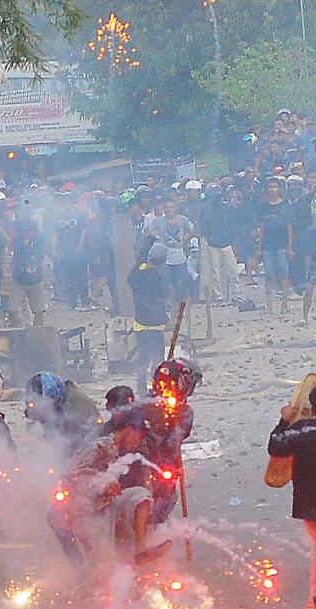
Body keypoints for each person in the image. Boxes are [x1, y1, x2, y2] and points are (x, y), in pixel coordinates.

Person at [55, 406, 172, 567]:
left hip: (107, 504)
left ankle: (140, 550)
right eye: (140, 435)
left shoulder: (121, 450)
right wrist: (102, 484)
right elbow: (73, 479)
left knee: (141, 495)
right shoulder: (99, 448)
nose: (140, 441)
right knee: (106, 567)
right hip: (87, 513)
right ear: (130, 430)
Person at [267, 385, 316, 609]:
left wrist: (284, 420)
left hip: (310, 505)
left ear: (312, 408)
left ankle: (314, 606)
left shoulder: (300, 430)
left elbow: (276, 446)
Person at [143, 358, 201, 525]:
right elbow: (171, 443)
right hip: (154, 464)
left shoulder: (147, 400)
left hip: (149, 463)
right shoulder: (183, 412)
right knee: (165, 497)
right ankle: (148, 531)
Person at [127, 243, 168, 396]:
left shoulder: (137, 274)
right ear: (163, 262)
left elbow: (137, 264)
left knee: (143, 359)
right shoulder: (155, 277)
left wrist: (148, 240)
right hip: (155, 324)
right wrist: (164, 317)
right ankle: (159, 388)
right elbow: (155, 301)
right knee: (158, 359)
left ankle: (142, 389)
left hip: (140, 323)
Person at [25, 371, 100, 453]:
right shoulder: (58, 400)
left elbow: (71, 437)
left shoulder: (76, 403)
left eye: (52, 401)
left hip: (88, 445)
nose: (49, 406)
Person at [198, 183, 241, 304]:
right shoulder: (205, 209)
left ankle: (236, 294)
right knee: (215, 272)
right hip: (212, 244)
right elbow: (202, 226)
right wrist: (209, 238)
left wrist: (233, 243)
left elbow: (232, 226)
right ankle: (219, 296)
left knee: (232, 270)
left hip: (226, 243)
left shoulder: (226, 208)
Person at [257, 176, 293, 315]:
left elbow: (289, 227)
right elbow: (261, 228)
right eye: (270, 187)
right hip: (267, 246)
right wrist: (259, 248)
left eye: (275, 186)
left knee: (284, 275)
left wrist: (290, 246)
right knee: (269, 276)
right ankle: (269, 305)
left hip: (282, 245)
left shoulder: (285, 205)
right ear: (267, 189)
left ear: (279, 188)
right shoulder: (264, 207)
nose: (272, 189)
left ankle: (284, 304)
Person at [150, 199, 193, 309]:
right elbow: (151, 230)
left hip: (179, 256)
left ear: (175, 208)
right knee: (164, 282)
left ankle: (180, 306)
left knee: (180, 283)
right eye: (166, 207)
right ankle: (163, 305)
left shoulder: (183, 220)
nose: (169, 210)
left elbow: (191, 229)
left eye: (171, 207)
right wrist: (158, 238)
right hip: (165, 257)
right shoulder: (159, 221)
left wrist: (184, 240)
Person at [8, 215, 46, 326]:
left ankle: (36, 334)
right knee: (12, 310)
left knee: (39, 311)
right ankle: (21, 332)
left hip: (36, 280)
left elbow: (42, 256)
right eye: (24, 230)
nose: (27, 233)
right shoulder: (16, 242)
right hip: (19, 281)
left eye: (29, 230)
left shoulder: (39, 240)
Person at [286, 175, 312, 295]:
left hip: (301, 236)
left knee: (300, 259)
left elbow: (308, 220)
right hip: (286, 236)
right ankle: (290, 284)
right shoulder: (285, 203)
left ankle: (300, 284)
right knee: (288, 261)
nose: (294, 188)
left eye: (296, 185)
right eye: (292, 185)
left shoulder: (304, 203)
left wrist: (294, 222)